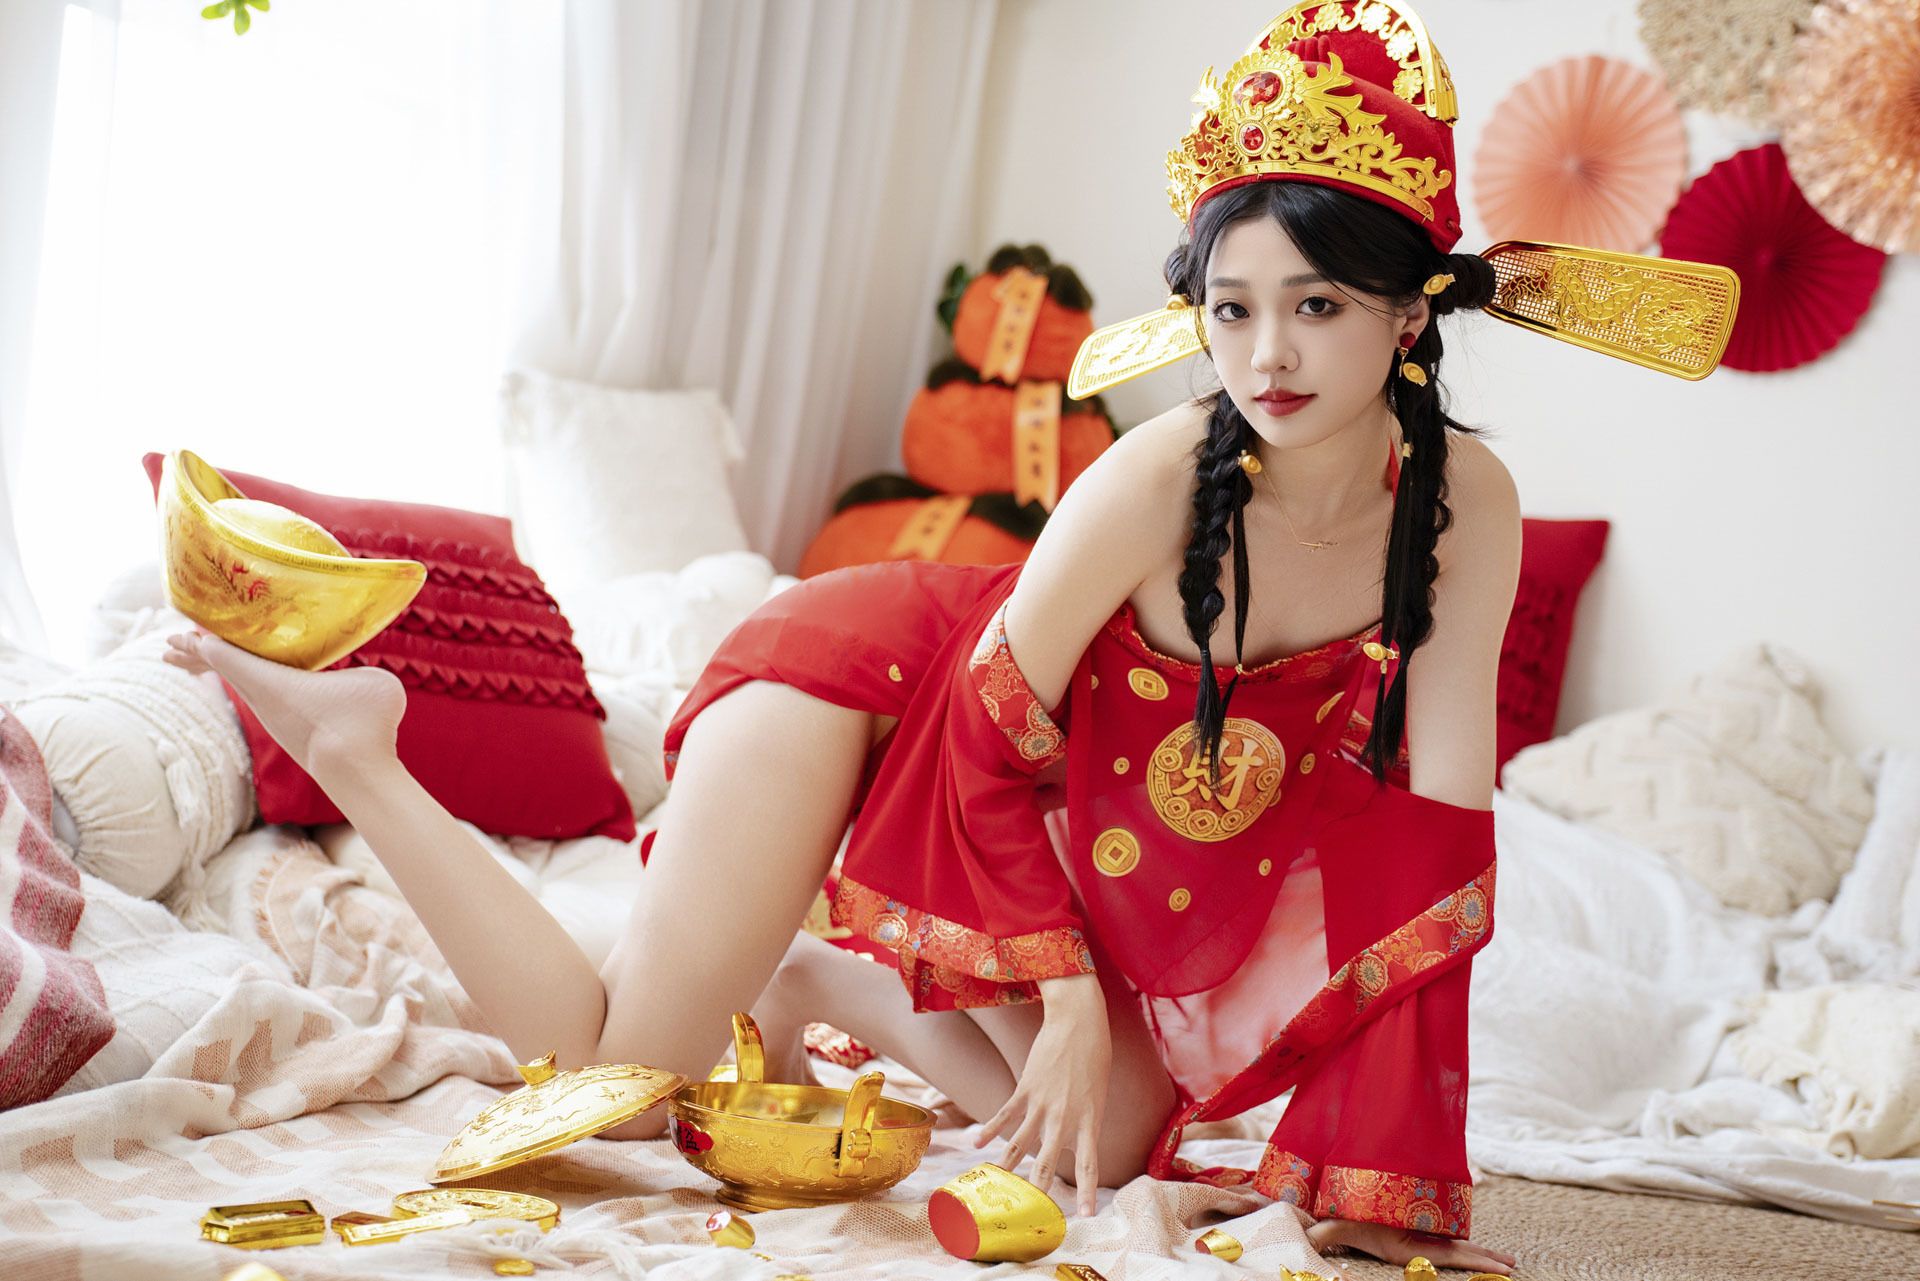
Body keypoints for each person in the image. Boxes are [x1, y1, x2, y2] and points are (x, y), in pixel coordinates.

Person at [165, 3, 1725, 1271]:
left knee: (1113, 1145)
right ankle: (360, 753)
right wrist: (1063, 1001)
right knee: (616, 1090)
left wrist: (1381, 1175)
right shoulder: (1160, 472)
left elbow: (1435, 843)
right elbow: (982, 733)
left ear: (1409, 315)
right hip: (869, 691)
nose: (1267, 354)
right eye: (1233, 307)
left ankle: (814, 978)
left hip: (1061, 807)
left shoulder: (1464, 505)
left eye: (1316, 306)